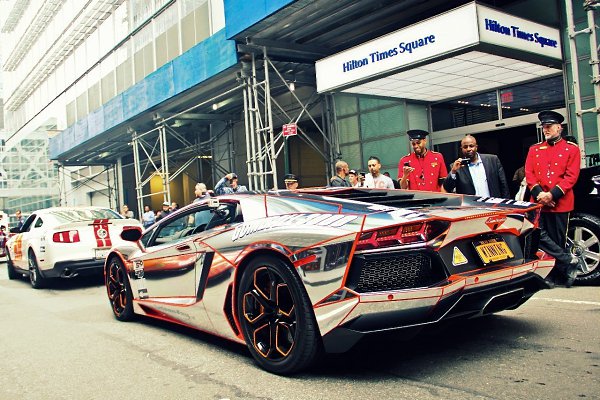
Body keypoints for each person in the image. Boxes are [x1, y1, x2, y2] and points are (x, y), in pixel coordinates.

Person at [525, 110, 583, 288]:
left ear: (560, 127)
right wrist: (541, 195)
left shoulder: (571, 149)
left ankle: (558, 276)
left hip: (560, 202)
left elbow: (571, 177)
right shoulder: (534, 149)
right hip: (539, 202)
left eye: (549, 126)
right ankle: (568, 260)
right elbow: (529, 174)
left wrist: (551, 195)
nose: (546, 130)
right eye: (544, 127)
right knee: (537, 234)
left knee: (557, 240)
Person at [442, 135, 510, 198]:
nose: (468, 149)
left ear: (476, 147)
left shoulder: (492, 160)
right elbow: (447, 188)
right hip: (471, 208)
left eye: (471, 146)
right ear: (461, 149)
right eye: (465, 147)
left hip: (492, 205)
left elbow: (503, 185)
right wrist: (453, 171)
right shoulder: (457, 166)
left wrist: (507, 205)